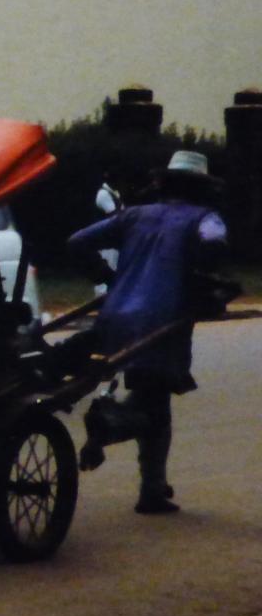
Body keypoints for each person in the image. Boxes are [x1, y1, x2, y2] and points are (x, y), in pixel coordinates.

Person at [67, 150, 227, 515]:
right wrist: (204, 283)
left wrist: (105, 277)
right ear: (202, 188)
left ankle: (152, 489)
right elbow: (214, 243)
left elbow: (77, 242)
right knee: (153, 403)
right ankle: (109, 424)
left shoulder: (134, 215)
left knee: (157, 401)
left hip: (115, 317)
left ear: (166, 183)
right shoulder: (206, 219)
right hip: (161, 321)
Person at [93, 172, 122, 296]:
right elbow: (114, 215)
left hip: (113, 239)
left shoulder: (114, 193)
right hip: (106, 240)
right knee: (107, 267)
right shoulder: (103, 193)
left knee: (114, 268)